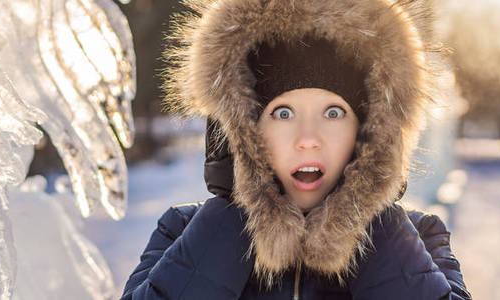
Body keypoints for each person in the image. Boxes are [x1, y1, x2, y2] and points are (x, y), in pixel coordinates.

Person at [121, 0, 470, 299]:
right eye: (282, 113)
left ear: (371, 132)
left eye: (333, 113)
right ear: (241, 130)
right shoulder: (182, 230)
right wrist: (233, 215)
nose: (308, 138)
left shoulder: (420, 238)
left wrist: (369, 211)